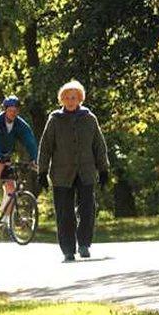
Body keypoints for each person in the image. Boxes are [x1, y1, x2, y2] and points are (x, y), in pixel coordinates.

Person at [36, 80, 109, 263]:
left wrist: (104, 169)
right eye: (67, 97)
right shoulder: (54, 119)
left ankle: (84, 243)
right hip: (61, 172)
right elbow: (45, 147)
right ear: (62, 99)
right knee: (64, 212)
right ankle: (68, 249)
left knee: (87, 209)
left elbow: (99, 145)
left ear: (80, 99)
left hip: (86, 170)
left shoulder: (89, 118)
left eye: (74, 97)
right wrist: (42, 171)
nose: (70, 100)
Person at [0, 96, 39, 203]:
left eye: (15, 111)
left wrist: (34, 159)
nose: (13, 113)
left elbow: (30, 140)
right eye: (10, 110)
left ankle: (5, 218)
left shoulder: (20, 124)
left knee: (11, 187)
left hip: (3, 154)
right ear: (5, 110)